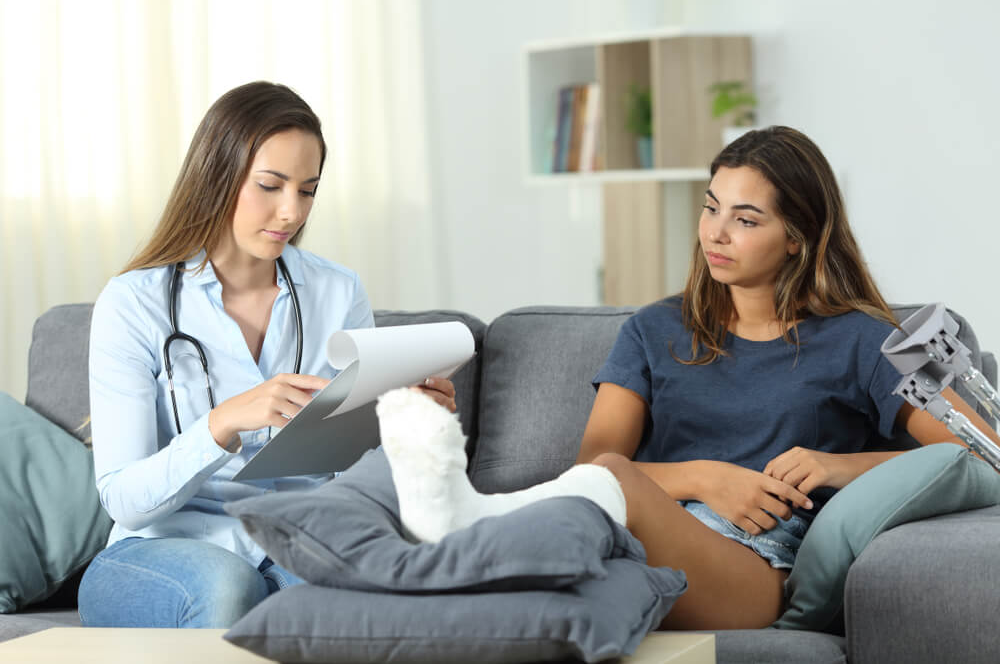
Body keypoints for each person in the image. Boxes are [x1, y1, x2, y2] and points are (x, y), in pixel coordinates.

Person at [372, 125, 1000, 631]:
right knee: (589, 515)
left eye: (747, 220)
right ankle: (445, 549)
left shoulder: (865, 338)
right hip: (633, 536)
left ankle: (456, 532)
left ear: (797, 240)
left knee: (607, 488)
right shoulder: (654, 329)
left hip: (755, 568)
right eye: (711, 208)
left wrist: (839, 466)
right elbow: (588, 466)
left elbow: (978, 450)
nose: (715, 233)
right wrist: (705, 477)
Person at [77, 81, 457, 628]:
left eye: (307, 190)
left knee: (379, 586)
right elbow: (125, 500)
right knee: (228, 587)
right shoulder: (134, 303)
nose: (290, 212)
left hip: (292, 536)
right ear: (217, 176)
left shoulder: (337, 291)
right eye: (271, 186)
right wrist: (225, 422)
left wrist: (407, 425)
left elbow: (353, 470)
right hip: (157, 549)